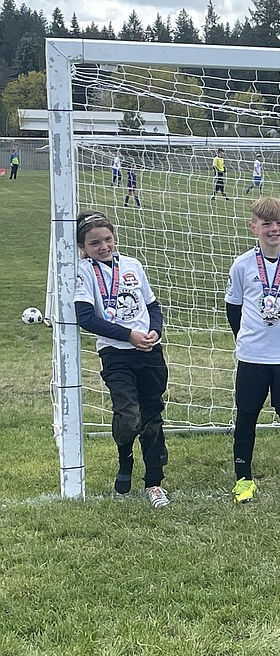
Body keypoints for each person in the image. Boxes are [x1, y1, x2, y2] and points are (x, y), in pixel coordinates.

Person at [74, 211, 170, 507]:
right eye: (94, 243)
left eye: (107, 239)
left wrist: (154, 331)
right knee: (128, 415)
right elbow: (85, 317)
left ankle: (154, 482)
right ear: (83, 247)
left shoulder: (132, 265)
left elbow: (153, 305)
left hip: (149, 352)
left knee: (152, 417)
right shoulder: (83, 271)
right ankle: (125, 459)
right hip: (116, 354)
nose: (103, 246)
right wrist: (128, 335)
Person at [225, 197, 280, 502]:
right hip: (252, 356)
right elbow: (233, 309)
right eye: (266, 224)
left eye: (279, 223)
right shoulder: (242, 265)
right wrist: (248, 338)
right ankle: (243, 480)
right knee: (246, 417)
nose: (273, 229)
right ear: (254, 227)